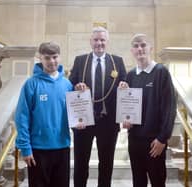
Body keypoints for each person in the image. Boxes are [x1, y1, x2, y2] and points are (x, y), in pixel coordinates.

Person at [69, 26, 127, 187]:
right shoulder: (80, 60)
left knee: (106, 164)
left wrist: (124, 86)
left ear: (107, 42)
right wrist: (76, 86)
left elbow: (125, 85)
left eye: (102, 40)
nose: (99, 43)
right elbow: (70, 83)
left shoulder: (118, 61)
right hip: (84, 121)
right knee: (81, 163)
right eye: (96, 39)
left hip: (108, 121)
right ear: (90, 41)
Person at [120, 33, 176, 187]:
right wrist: (126, 120)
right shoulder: (130, 75)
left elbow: (169, 107)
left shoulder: (161, 72)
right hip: (135, 139)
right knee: (138, 182)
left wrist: (163, 138)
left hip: (155, 141)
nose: (140, 49)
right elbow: (129, 108)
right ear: (132, 51)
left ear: (150, 48)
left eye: (143, 45)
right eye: (136, 46)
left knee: (158, 182)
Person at [15, 42, 73, 187]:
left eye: (55, 57)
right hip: (38, 150)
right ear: (40, 58)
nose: (52, 61)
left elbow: (75, 114)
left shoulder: (67, 85)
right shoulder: (31, 84)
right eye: (47, 58)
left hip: (62, 147)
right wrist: (25, 148)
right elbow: (22, 117)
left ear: (59, 57)